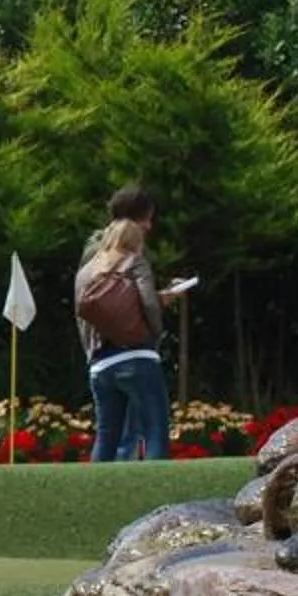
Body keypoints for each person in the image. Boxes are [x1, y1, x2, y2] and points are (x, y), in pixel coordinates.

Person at [75, 183, 187, 461]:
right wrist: (154, 333)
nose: (149, 226)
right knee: (155, 430)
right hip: (137, 356)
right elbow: (147, 303)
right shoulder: (134, 260)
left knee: (106, 435)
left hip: (100, 363)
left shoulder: (88, 266)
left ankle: (96, 494)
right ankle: (155, 498)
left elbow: (87, 310)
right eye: (147, 219)